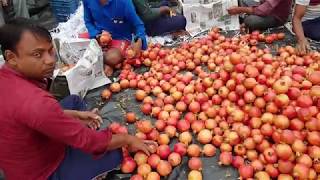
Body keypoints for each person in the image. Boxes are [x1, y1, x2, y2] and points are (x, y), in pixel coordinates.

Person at [0, 20, 156, 180]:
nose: (50, 60)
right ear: (11, 57)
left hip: (25, 151)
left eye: (50, 51)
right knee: (114, 153)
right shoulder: (36, 103)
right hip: (41, 171)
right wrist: (127, 139)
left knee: (73, 100)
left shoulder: (6, 77)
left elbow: (32, 116)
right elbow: (89, 142)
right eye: (37, 54)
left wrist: (71, 115)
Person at [83, 0, 147, 74]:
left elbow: (138, 24)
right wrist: (96, 35)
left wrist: (139, 39)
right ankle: (103, 62)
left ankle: (96, 59)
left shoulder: (124, 2)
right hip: (98, 36)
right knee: (73, 44)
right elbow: (88, 21)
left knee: (112, 58)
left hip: (120, 38)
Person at [227, 0, 292, 31]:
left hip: (276, 17)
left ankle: (245, 21)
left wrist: (240, 9)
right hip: (264, 9)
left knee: (250, 20)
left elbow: (262, 11)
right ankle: (244, 19)